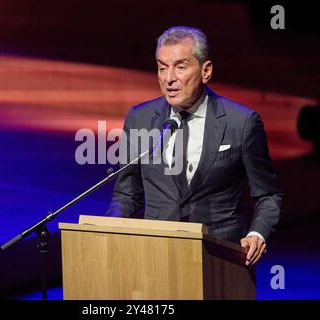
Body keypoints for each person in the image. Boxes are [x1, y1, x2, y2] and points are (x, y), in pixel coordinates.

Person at [106, 26, 283, 266]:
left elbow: (268, 194)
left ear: (205, 70)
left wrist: (257, 234)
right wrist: (108, 232)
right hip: (155, 257)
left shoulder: (241, 122)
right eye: (162, 67)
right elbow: (126, 192)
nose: (169, 78)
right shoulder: (140, 118)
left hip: (220, 261)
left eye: (180, 67)